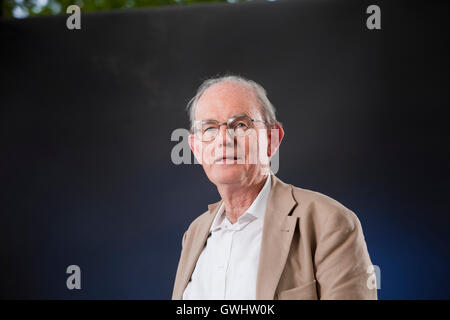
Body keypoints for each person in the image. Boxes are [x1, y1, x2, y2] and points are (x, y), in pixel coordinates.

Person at [172, 74, 377, 300]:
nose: (224, 139)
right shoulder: (194, 233)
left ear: (272, 139)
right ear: (196, 148)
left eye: (240, 125)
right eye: (209, 128)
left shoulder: (329, 221)